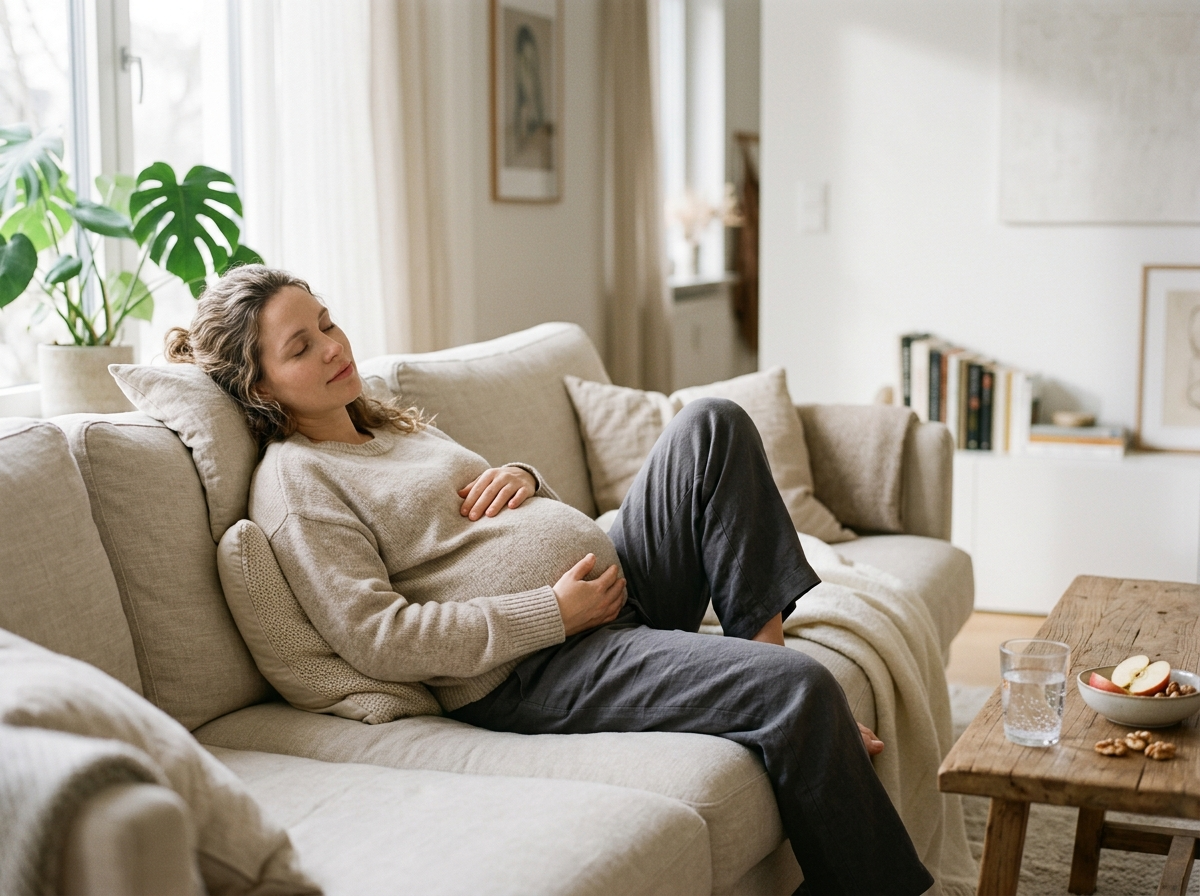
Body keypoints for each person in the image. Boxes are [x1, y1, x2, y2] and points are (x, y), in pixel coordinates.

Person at [167, 265, 934, 896]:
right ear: (261, 388)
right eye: (301, 346)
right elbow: (379, 638)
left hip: (605, 597)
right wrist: (551, 614)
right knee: (799, 690)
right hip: (535, 669)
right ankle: (786, 705)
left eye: (327, 322)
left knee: (712, 423)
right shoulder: (297, 485)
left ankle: (759, 653)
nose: (333, 347)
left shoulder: (390, 423)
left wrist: (524, 479)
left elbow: (522, 519)